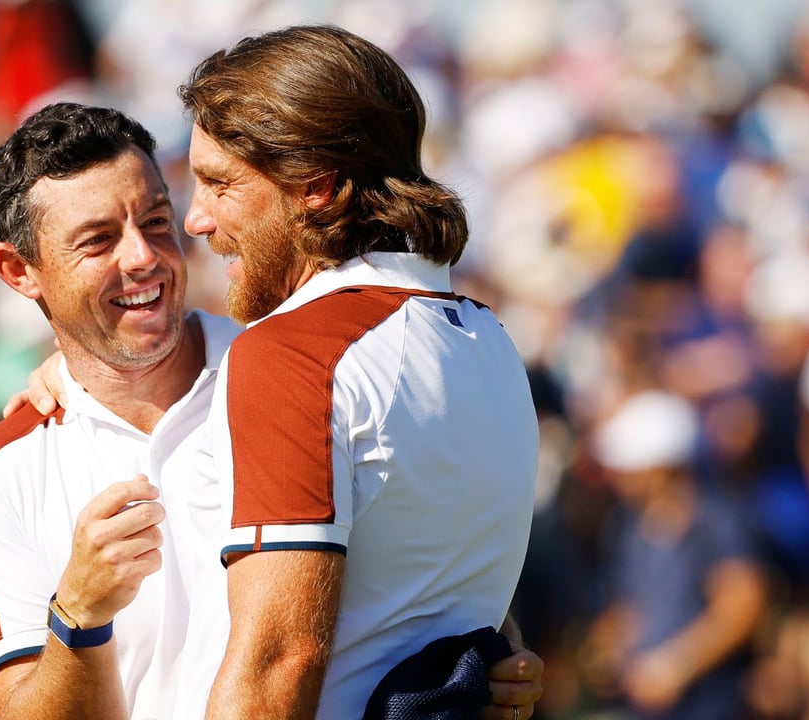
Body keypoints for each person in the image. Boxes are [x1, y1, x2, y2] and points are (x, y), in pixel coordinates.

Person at [0, 102, 542, 720]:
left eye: (155, 221)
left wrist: (483, 647)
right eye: (98, 241)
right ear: (19, 271)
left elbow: (421, 555)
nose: (142, 257)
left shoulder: (311, 370)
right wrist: (78, 617)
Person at [168, 25, 540, 720]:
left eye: (219, 184)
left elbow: (281, 660)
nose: (195, 219)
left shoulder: (293, 355)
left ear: (319, 188)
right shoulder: (490, 340)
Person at [583, 390, 767, 719]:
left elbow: (742, 605)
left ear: (662, 466)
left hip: (712, 706)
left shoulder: (718, 521)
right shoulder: (627, 528)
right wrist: (609, 647)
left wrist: (675, 667)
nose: (618, 476)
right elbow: (629, 609)